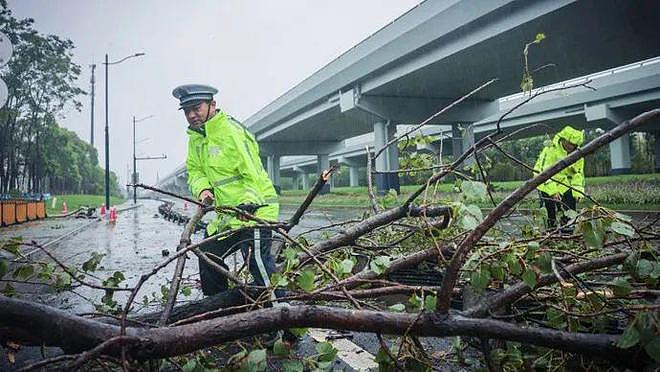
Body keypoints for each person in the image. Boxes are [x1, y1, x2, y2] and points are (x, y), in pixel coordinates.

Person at [172, 84, 279, 296]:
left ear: (212, 105)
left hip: (254, 212)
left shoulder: (231, 131)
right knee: (207, 254)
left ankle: (285, 320)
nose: (192, 115)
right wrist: (202, 189)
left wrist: (249, 203)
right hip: (226, 217)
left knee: (258, 264)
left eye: (196, 108)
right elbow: (194, 170)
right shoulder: (196, 138)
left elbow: (253, 173)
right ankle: (218, 309)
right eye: (187, 111)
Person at [533, 125, 585, 230]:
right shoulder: (550, 150)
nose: (573, 147)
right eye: (571, 144)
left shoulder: (577, 155)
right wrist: (552, 191)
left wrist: (578, 192)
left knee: (570, 209)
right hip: (545, 182)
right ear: (564, 140)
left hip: (564, 184)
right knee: (549, 210)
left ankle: (568, 230)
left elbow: (578, 174)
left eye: (575, 145)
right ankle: (550, 231)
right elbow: (544, 172)